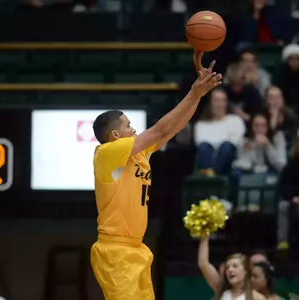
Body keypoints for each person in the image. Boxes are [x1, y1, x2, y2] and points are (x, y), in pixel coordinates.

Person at [89, 52, 222, 300]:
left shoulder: (138, 155)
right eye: (128, 125)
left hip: (136, 248)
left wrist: (199, 97)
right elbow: (158, 129)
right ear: (115, 135)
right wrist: (193, 93)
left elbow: (169, 130)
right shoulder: (105, 153)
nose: (134, 129)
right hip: (114, 250)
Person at [198, 237, 266, 300]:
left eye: (235, 266)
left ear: (245, 271)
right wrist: (205, 236)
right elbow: (203, 263)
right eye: (227, 267)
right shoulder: (221, 291)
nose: (230, 270)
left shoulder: (256, 297)